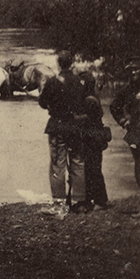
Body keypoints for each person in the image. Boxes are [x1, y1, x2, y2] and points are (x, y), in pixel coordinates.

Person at [39, 50, 91, 215]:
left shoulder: (52, 81)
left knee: (57, 165)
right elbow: (86, 103)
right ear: (71, 63)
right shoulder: (79, 81)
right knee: (78, 162)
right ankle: (80, 202)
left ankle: (59, 204)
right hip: (75, 127)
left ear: (58, 63)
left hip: (57, 126)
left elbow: (42, 102)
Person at [110, 64, 140, 208]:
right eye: (129, 71)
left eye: (135, 70)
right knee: (139, 163)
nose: (132, 73)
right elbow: (114, 106)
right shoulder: (128, 89)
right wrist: (123, 122)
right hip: (136, 130)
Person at [82, 94, 110, 209]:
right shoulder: (93, 98)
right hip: (96, 138)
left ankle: (98, 201)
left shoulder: (89, 100)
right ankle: (98, 200)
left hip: (92, 139)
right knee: (94, 169)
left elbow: (89, 118)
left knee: (92, 170)